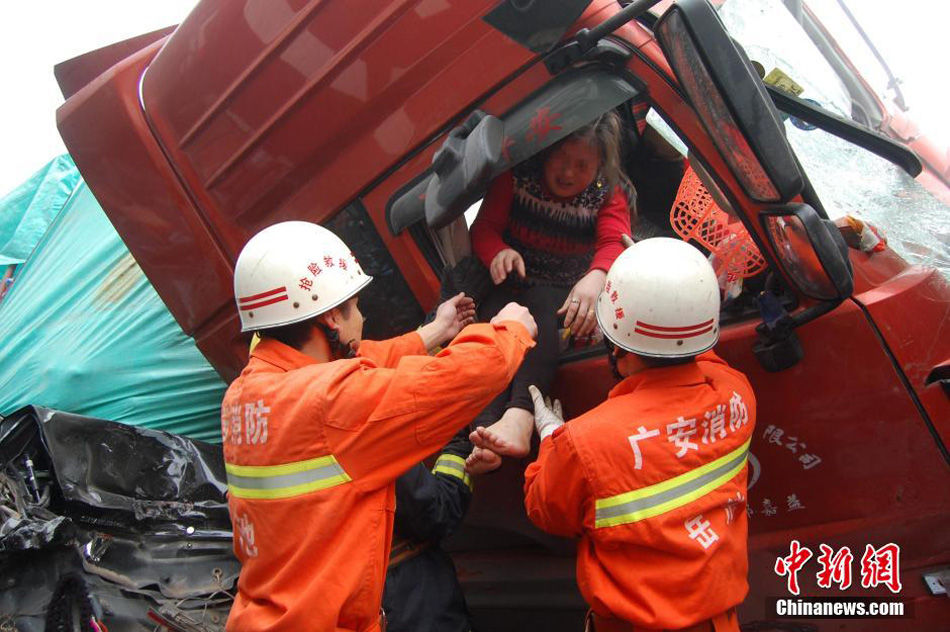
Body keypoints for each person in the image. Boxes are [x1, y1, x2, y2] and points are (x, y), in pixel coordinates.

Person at [221, 221, 537, 632]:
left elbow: (356, 364)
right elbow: (456, 380)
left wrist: (433, 332)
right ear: (331, 317)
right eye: (354, 306)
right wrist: (510, 331)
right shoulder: (329, 403)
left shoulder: (246, 393)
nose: (363, 316)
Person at [523, 238, 756, 632]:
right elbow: (698, 349)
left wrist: (550, 439)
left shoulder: (585, 443)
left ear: (615, 346)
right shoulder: (736, 393)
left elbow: (546, 511)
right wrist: (672, 286)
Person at [466, 111, 635, 472]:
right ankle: (485, 431)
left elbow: (614, 241)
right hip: (510, 284)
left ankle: (521, 414)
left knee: (542, 309)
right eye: (561, 158)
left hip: (561, 291)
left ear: (600, 166)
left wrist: (596, 276)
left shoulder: (608, 192)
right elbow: (484, 228)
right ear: (546, 150)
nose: (568, 172)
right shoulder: (516, 175)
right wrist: (498, 253)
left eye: (582, 165)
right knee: (493, 330)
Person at [383, 428, 475, 632]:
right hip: (403, 592)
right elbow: (438, 512)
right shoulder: (360, 423)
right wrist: (460, 441)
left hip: (325, 591)